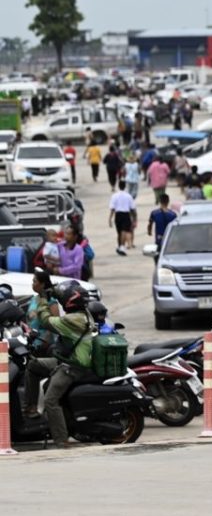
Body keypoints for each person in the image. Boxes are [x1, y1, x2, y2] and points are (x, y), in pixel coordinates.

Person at [22, 282, 94, 448]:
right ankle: (30, 408)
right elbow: (64, 299)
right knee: (33, 365)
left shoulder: (71, 320)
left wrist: (42, 299)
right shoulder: (85, 314)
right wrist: (52, 290)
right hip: (66, 360)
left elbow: (46, 321)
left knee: (50, 401)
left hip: (72, 366)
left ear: (71, 303)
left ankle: (61, 439)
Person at [108, 179, 136, 255]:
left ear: (118, 186)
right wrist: (134, 219)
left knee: (121, 231)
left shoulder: (114, 196)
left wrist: (110, 219)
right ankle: (121, 246)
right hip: (126, 214)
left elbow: (112, 208)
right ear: (125, 186)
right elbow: (133, 208)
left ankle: (121, 246)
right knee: (123, 231)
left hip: (118, 215)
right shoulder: (128, 196)